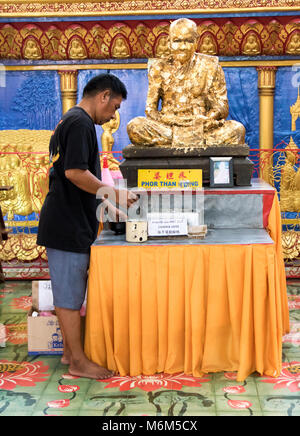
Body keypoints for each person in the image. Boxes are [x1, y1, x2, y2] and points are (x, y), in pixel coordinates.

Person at [37, 73, 137, 380]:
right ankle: (78, 362)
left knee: (71, 292)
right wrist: (114, 193)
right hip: (66, 222)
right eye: (115, 106)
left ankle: (70, 352)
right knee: (69, 295)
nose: (114, 115)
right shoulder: (80, 123)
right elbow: (75, 173)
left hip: (68, 218)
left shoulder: (70, 119)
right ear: (103, 96)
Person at [127, 18, 245, 148]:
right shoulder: (158, 67)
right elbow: (150, 109)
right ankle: (189, 141)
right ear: (169, 42)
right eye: (177, 41)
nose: (183, 47)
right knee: (135, 126)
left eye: (188, 41)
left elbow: (222, 106)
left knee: (236, 130)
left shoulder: (211, 66)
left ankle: (175, 142)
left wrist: (208, 118)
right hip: (169, 127)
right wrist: (167, 121)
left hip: (201, 126)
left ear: (196, 41)